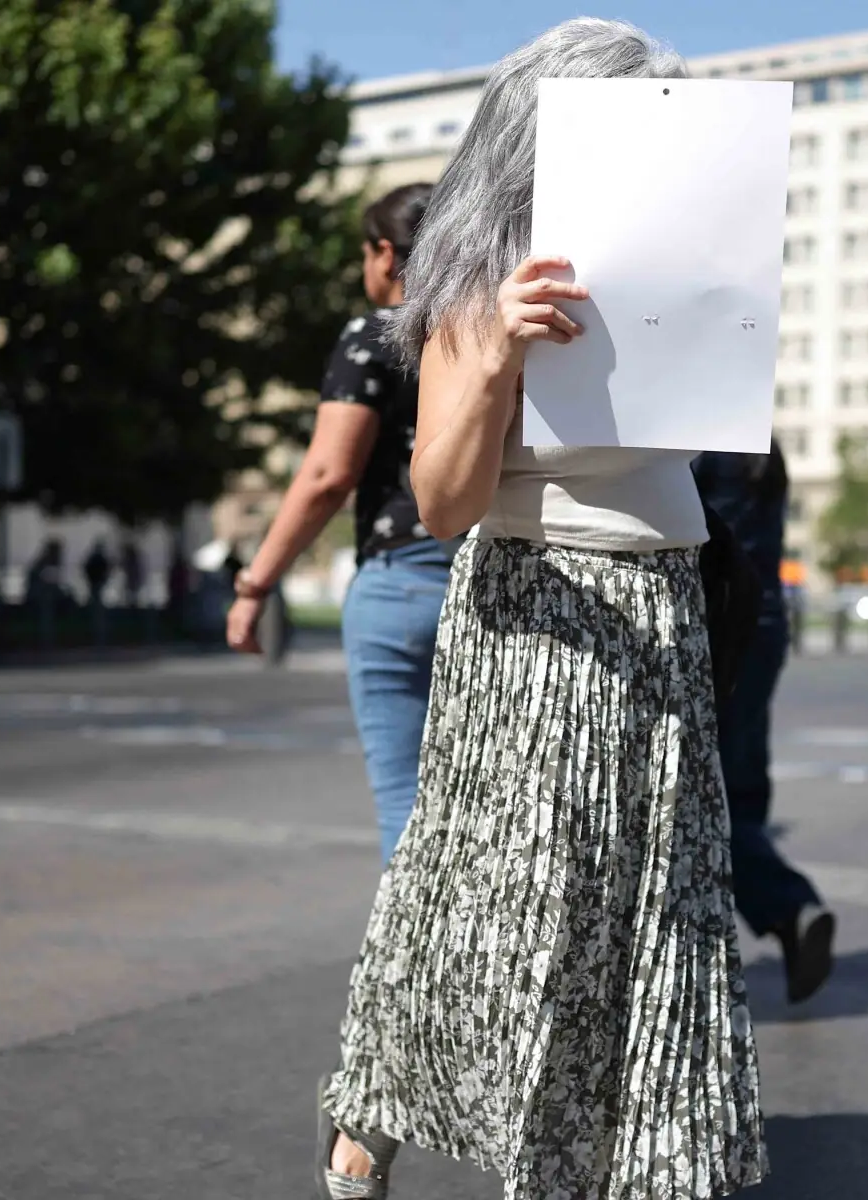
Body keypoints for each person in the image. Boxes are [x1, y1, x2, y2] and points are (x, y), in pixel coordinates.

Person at [317, 21, 764, 1200]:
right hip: (537, 607)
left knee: (651, 901)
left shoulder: (688, 259)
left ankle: (627, 1159)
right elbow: (440, 503)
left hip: (658, 608)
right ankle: (375, 1114)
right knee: (495, 900)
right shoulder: (478, 278)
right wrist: (498, 355)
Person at [226, 181, 444, 863]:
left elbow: (326, 475)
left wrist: (255, 584)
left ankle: (408, 937)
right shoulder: (481, 334)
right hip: (487, 577)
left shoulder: (374, 336)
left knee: (409, 813)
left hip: (403, 578)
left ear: (384, 254)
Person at [694, 441, 836, 1004]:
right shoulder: (763, 451)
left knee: (704, 793)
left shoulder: (700, 442)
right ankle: (788, 916)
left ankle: (785, 905)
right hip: (766, 622)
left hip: (717, 622)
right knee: (741, 779)